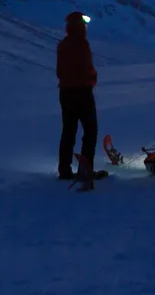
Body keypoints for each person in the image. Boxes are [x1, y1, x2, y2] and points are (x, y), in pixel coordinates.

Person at [56, 10, 99, 189]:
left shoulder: (63, 44)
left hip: (66, 92)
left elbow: (60, 71)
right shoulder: (82, 44)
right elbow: (87, 68)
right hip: (82, 92)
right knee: (90, 130)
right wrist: (92, 79)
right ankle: (85, 169)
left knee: (69, 130)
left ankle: (64, 169)